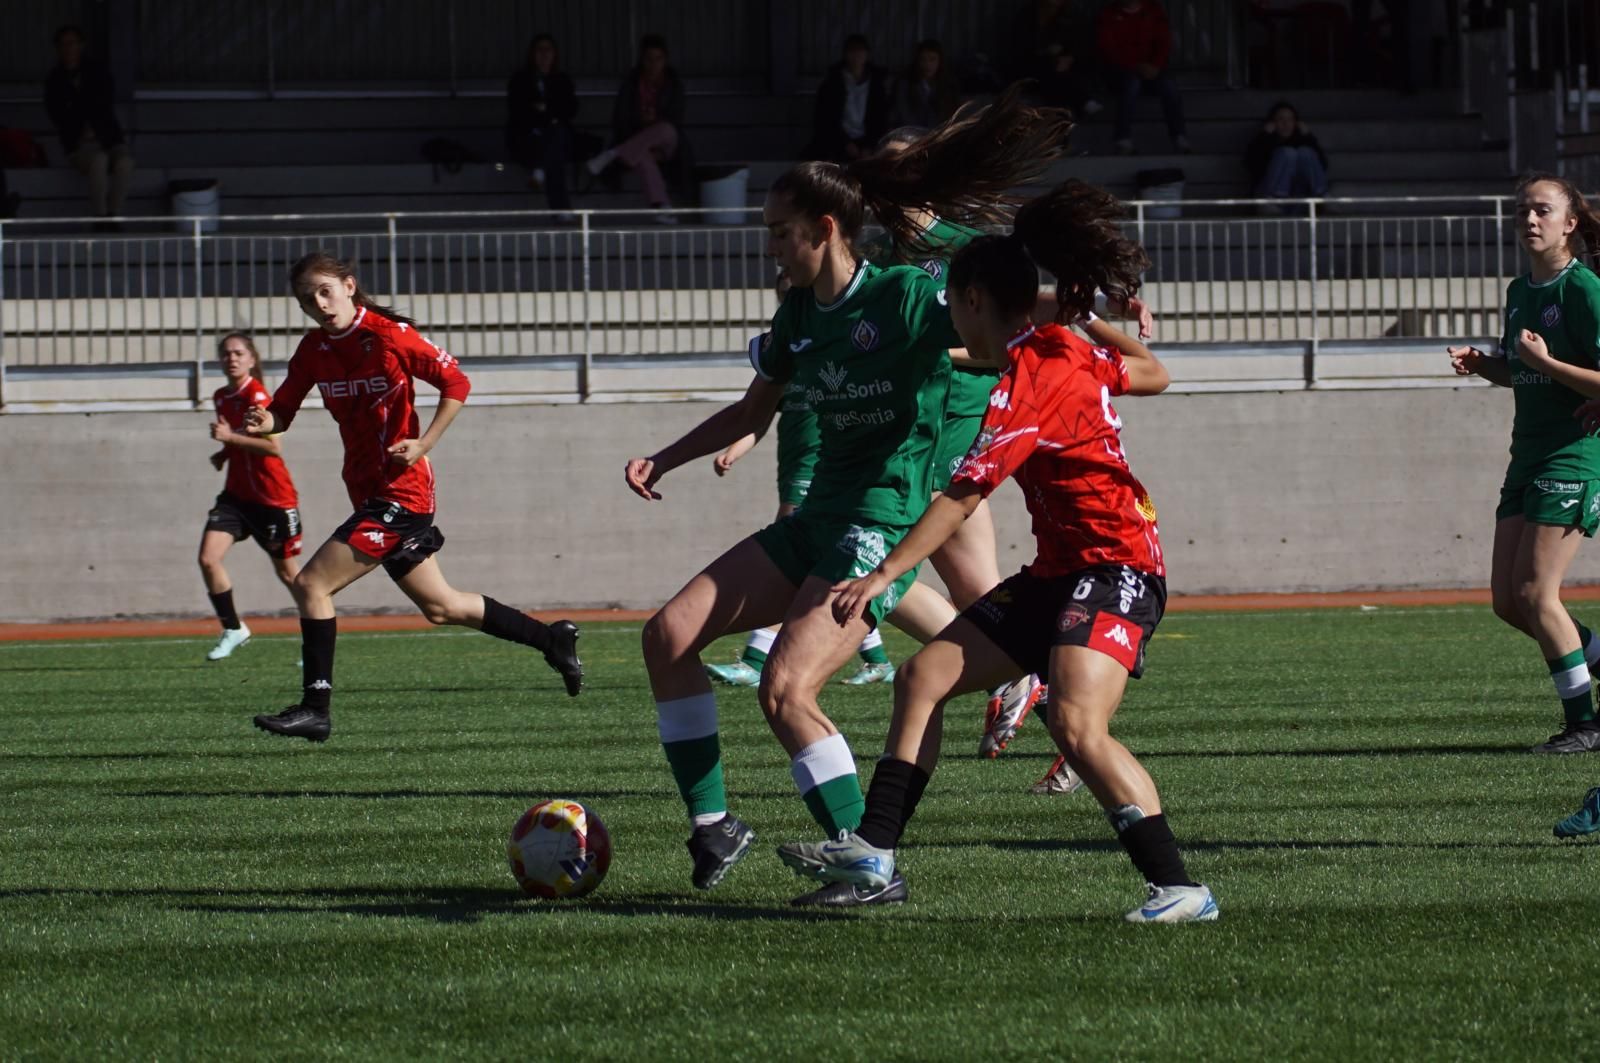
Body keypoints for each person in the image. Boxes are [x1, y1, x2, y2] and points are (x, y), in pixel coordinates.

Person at [623, 92, 1071, 905]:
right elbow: (754, 410)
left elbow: (996, 320)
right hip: (816, 518)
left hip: (883, 519)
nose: (769, 248)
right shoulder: (798, 312)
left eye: (778, 231)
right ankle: (715, 823)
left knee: (787, 689)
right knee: (667, 635)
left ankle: (871, 861)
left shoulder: (900, 297)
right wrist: (667, 456)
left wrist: (1089, 309)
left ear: (824, 229)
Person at [778, 178, 1219, 923]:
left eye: (952, 301)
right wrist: (1095, 321)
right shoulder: (1057, 347)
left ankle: (1180, 887)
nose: (948, 313)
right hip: (1057, 573)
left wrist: (884, 572)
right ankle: (876, 849)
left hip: (1116, 570)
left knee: (1076, 724)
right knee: (921, 678)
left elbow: (961, 497)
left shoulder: (1034, 378)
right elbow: (1154, 372)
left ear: (974, 299)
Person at [243, 252, 583, 743]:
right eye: (306, 298)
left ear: (349, 286)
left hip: (403, 492)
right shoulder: (313, 350)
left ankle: (315, 707)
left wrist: (425, 443)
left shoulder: (386, 335)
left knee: (311, 585)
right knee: (441, 606)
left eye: (324, 291)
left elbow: (456, 382)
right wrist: (264, 420)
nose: (318, 304)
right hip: (367, 491)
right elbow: (284, 411)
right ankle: (551, 639)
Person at [1448, 174, 1600, 755]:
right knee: (1510, 603)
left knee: (1538, 593)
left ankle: (1585, 725)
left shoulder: (1583, 290)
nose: (1529, 220)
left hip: (1574, 452)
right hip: (1526, 455)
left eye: (1542, 211)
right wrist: (1487, 364)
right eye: (1521, 212)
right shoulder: (1519, 290)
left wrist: (1548, 361)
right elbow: (1524, 370)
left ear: (1571, 224)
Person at [705, 268, 905, 688]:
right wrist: (734, 451)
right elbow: (756, 419)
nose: (791, 299)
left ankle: (756, 657)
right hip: (792, 466)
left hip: (821, 470)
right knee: (830, 566)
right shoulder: (791, 350)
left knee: (794, 556)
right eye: (785, 295)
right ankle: (880, 658)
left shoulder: (831, 349)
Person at [199, 333, 303, 662]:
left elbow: (273, 447)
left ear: (251, 359)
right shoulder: (221, 396)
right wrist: (224, 453)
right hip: (236, 497)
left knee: (288, 573)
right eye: (226, 354)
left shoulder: (258, 396)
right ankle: (233, 628)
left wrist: (229, 438)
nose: (232, 358)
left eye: (238, 353)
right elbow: (240, 439)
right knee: (208, 559)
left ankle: (314, 634)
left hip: (272, 498)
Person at [585, 34, 686, 218]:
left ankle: (614, 153)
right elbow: (621, 118)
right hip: (637, 142)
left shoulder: (674, 84)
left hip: (667, 144)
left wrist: (656, 118)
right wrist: (641, 121)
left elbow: (677, 119)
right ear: (642, 60)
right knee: (642, 156)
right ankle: (661, 205)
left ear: (665, 60)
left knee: (666, 129)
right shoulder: (631, 84)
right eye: (649, 59)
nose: (653, 65)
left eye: (658, 59)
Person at [43, 24, 134, 226]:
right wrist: (81, 128)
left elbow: (104, 102)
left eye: (72, 43)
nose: (68, 48)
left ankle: (114, 215)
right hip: (78, 144)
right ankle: (100, 217)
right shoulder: (54, 80)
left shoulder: (97, 71)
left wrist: (95, 126)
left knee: (125, 163)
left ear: (81, 45)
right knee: (98, 160)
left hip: (108, 137)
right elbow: (58, 114)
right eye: (63, 44)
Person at [1095, 0, 1188, 155]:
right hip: (1120, 70)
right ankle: (1123, 138)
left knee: (1169, 86)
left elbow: (1164, 43)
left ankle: (1179, 137)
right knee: (1131, 84)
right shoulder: (1108, 14)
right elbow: (1108, 49)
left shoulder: (1154, 11)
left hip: (1152, 70)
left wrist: (1156, 65)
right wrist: (1136, 65)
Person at [505, 33, 578, 214]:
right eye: (540, 50)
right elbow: (519, 111)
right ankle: (562, 211)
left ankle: (540, 169)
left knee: (556, 139)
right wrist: (549, 114)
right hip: (528, 140)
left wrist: (545, 109)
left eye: (548, 50)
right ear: (532, 54)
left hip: (557, 138)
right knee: (553, 153)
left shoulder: (562, 80)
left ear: (555, 54)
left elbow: (570, 110)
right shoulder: (520, 80)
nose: (544, 54)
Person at [1007, 0, 1103, 116]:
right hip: (1035, 66)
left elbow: (1082, 43)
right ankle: (1082, 101)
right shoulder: (1028, 15)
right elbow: (1021, 48)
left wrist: (1070, 57)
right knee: (1051, 70)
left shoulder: (1072, 15)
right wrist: (1047, 51)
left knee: (1059, 76)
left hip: (1065, 67)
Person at [807, 35, 891, 164]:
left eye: (860, 51)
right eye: (852, 51)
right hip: (837, 140)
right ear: (845, 54)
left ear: (867, 54)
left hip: (868, 141)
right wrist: (845, 143)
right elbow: (825, 118)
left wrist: (869, 145)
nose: (856, 55)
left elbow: (880, 117)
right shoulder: (832, 83)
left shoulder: (876, 84)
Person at [1244, 101, 1328, 204]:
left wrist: (1308, 137)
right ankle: (1279, 198)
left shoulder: (1303, 141)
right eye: (1281, 119)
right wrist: (1264, 137)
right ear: (1273, 123)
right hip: (1270, 196)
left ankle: (1322, 197)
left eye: (1290, 119)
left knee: (1305, 152)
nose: (1286, 124)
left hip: (1297, 196)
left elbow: (1323, 165)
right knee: (1287, 153)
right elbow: (1252, 166)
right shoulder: (1264, 139)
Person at [889, 40, 961, 130]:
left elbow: (953, 116)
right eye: (923, 59)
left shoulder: (948, 85)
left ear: (940, 61)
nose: (928, 64)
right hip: (911, 136)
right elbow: (903, 116)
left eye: (932, 59)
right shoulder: (905, 85)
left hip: (940, 136)